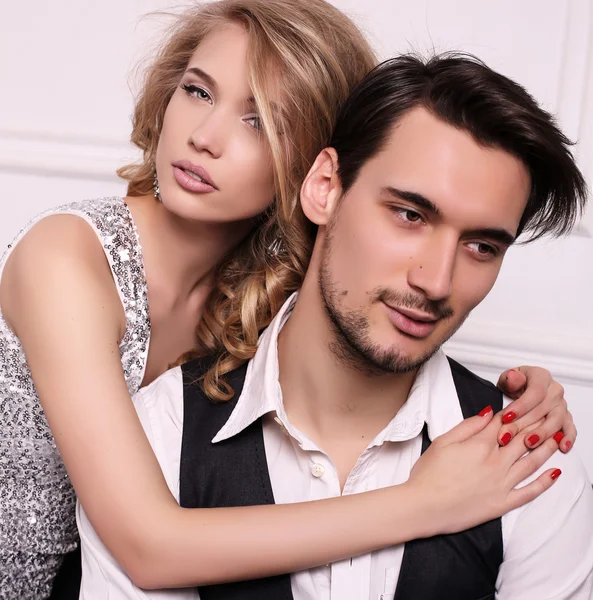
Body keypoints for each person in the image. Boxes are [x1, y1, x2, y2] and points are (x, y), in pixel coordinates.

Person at [0, 1, 574, 598]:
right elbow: (148, 546)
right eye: (197, 92)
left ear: (315, 170)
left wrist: (529, 399)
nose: (203, 137)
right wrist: (424, 503)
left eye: (259, 121)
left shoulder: (260, 289)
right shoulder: (64, 259)